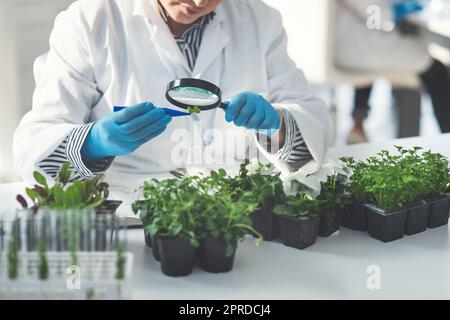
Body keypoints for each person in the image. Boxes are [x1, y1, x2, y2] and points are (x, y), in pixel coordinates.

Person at [13, 0, 330, 183]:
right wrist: (93, 143)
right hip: (128, 209)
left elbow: (310, 119)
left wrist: (277, 124)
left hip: (235, 212)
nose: (198, 1)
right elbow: (34, 144)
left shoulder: (259, 19)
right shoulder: (90, 19)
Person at [336, 0, 450, 143]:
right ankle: (448, 136)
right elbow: (378, 14)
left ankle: (358, 123)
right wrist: (396, 9)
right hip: (356, 45)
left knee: (406, 50)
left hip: (353, 40)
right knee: (436, 70)